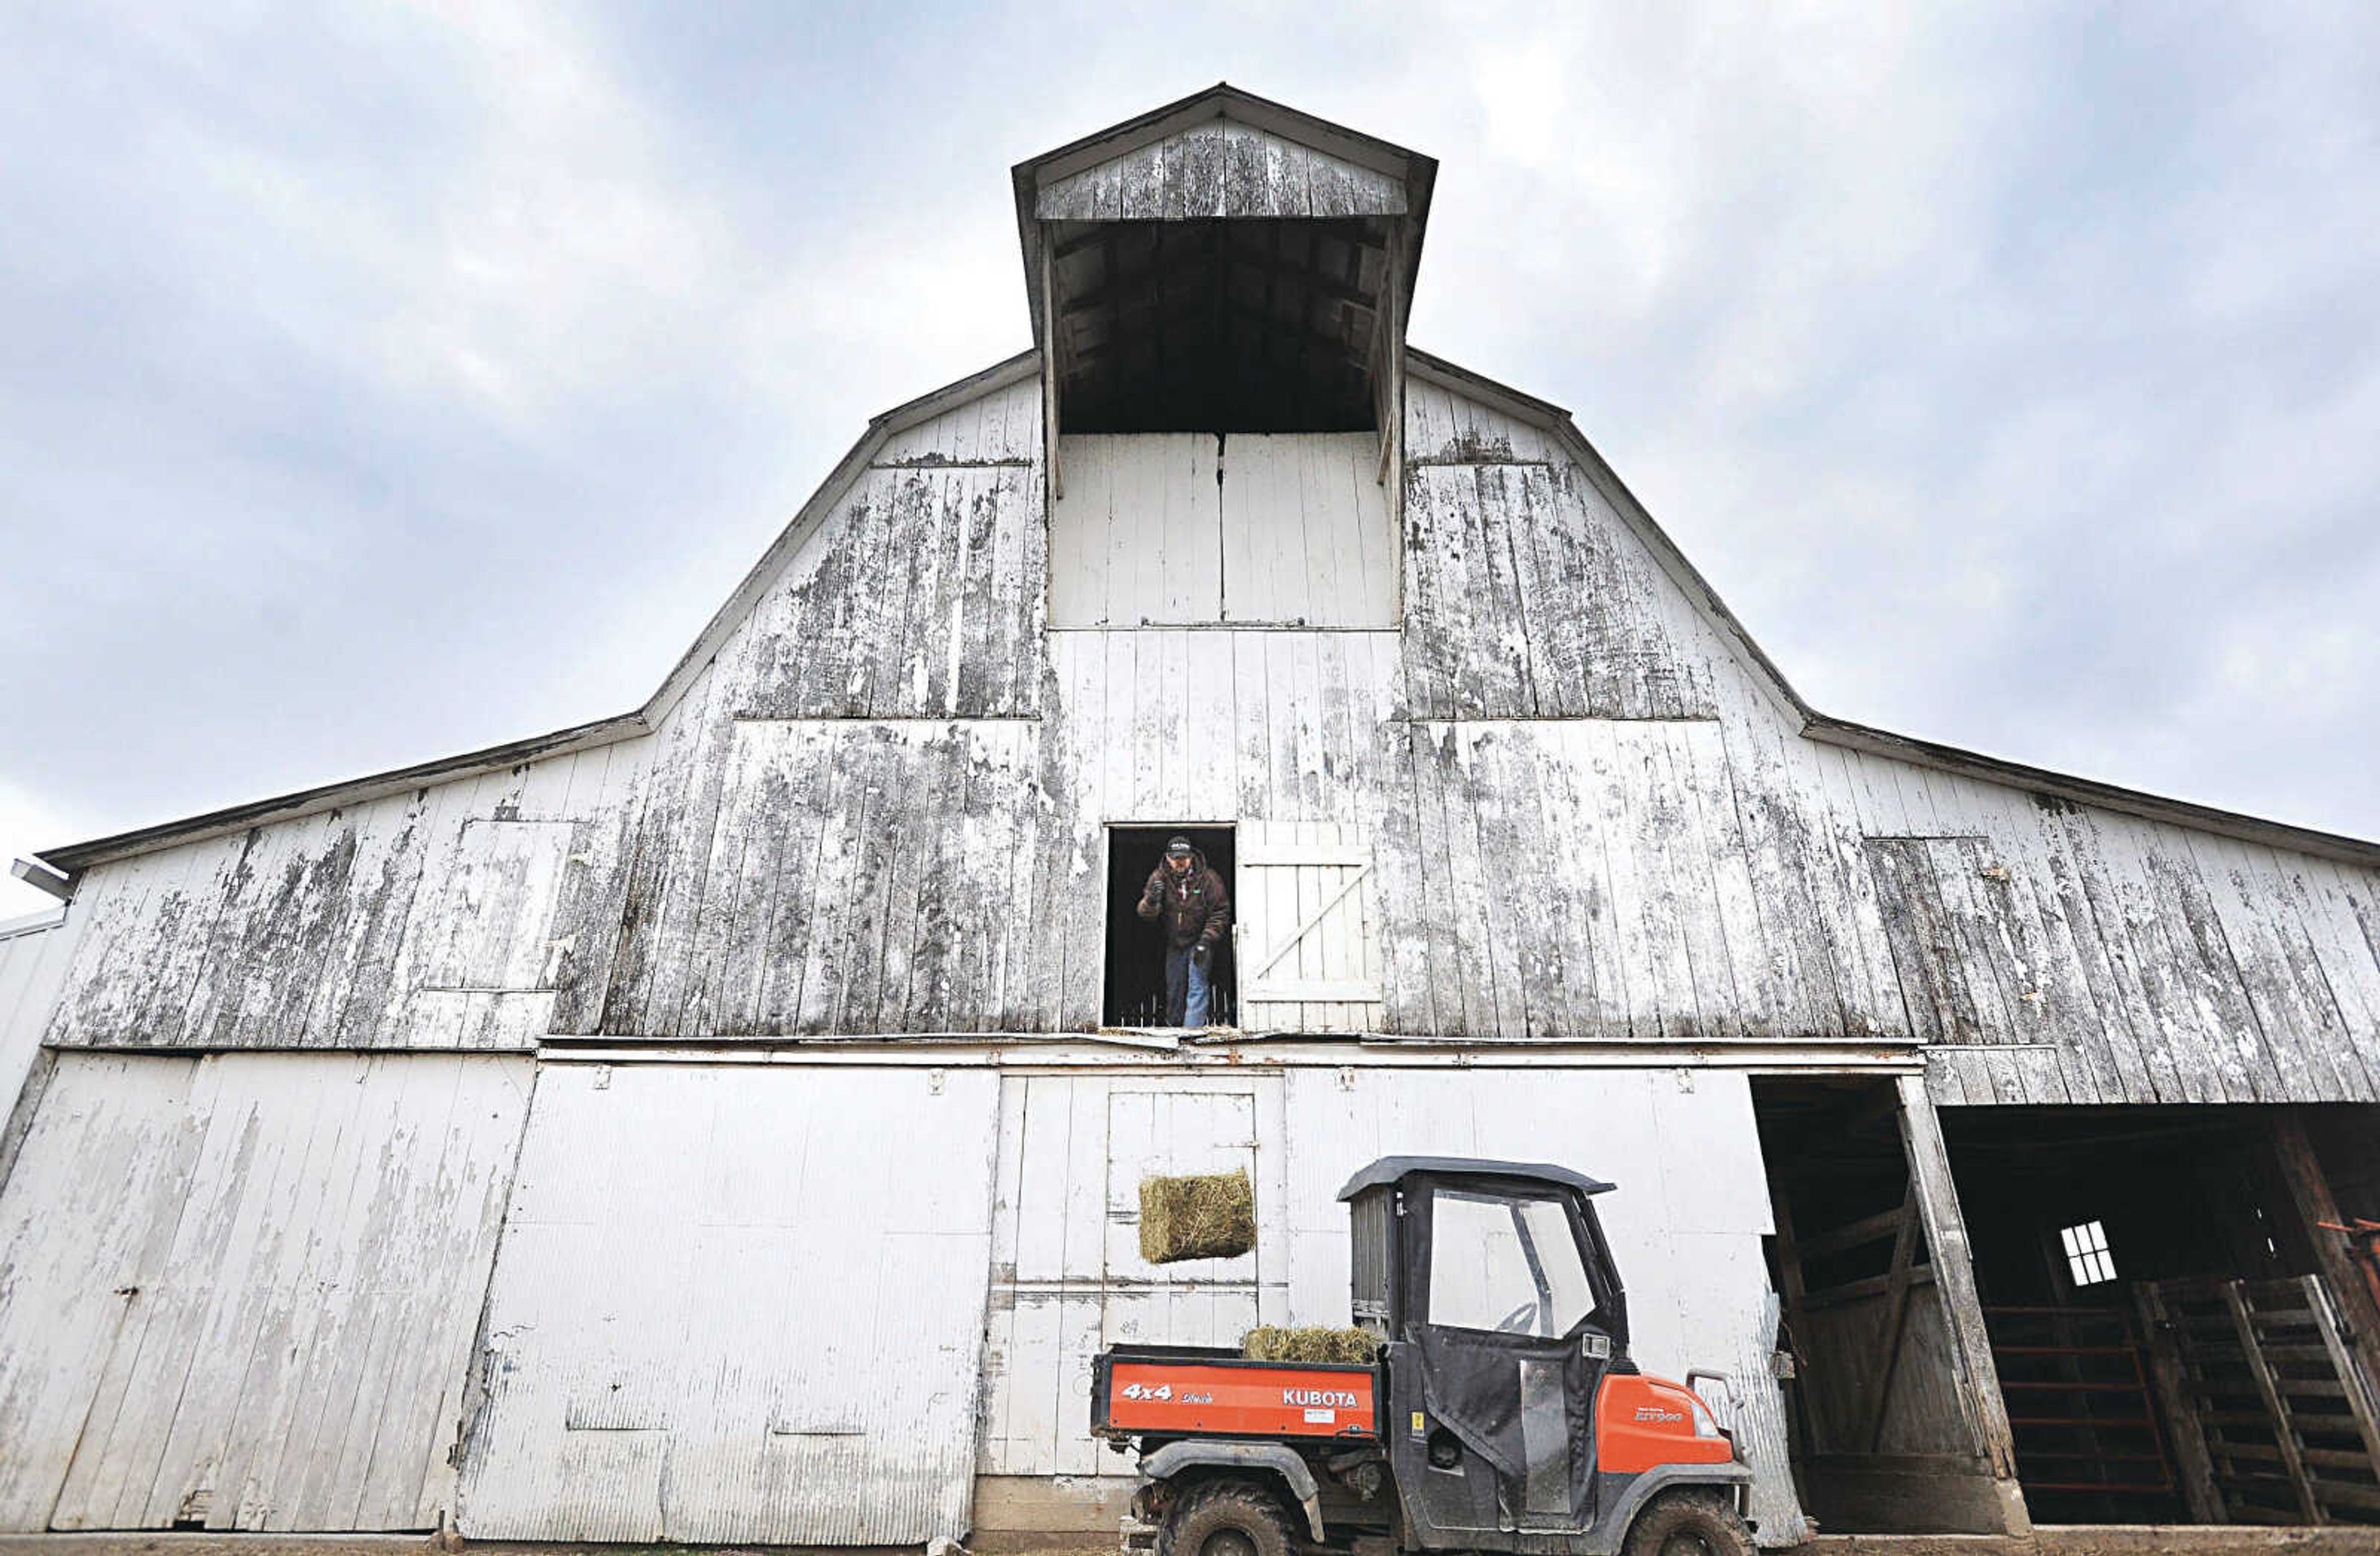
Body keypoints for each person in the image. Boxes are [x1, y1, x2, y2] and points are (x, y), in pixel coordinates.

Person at [1137, 836, 1230, 1027]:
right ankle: (1174, 1029)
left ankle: (1191, 1033)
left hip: (1200, 939)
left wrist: (1206, 941)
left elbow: (1220, 911)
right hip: (1174, 943)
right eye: (1175, 858)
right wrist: (1152, 900)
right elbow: (1145, 915)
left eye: (1184, 858)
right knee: (1175, 988)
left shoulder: (1208, 879)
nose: (1180, 863)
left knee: (1197, 986)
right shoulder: (1158, 878)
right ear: (1168, 858)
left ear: (1191, 857)